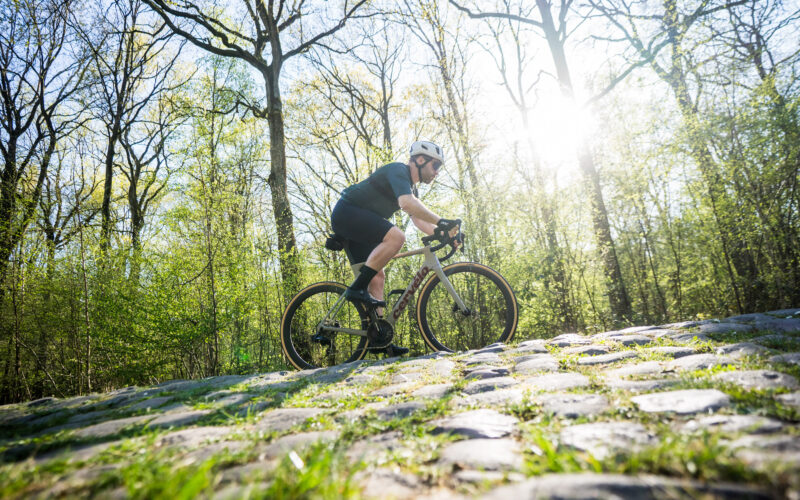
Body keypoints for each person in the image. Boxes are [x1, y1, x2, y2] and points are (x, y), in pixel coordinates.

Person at [330, 140, 460, 355]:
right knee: (396, 237)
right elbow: (407, 204)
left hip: (360, 220)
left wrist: (445, 233)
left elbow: (419, 220)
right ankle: (356, 289)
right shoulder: (398, 171)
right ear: (420, 160)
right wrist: (442, 221)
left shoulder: (410, 187)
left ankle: (380, 338)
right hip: (347, 212)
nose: (437, 172)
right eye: (435, 166)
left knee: (377, 276)